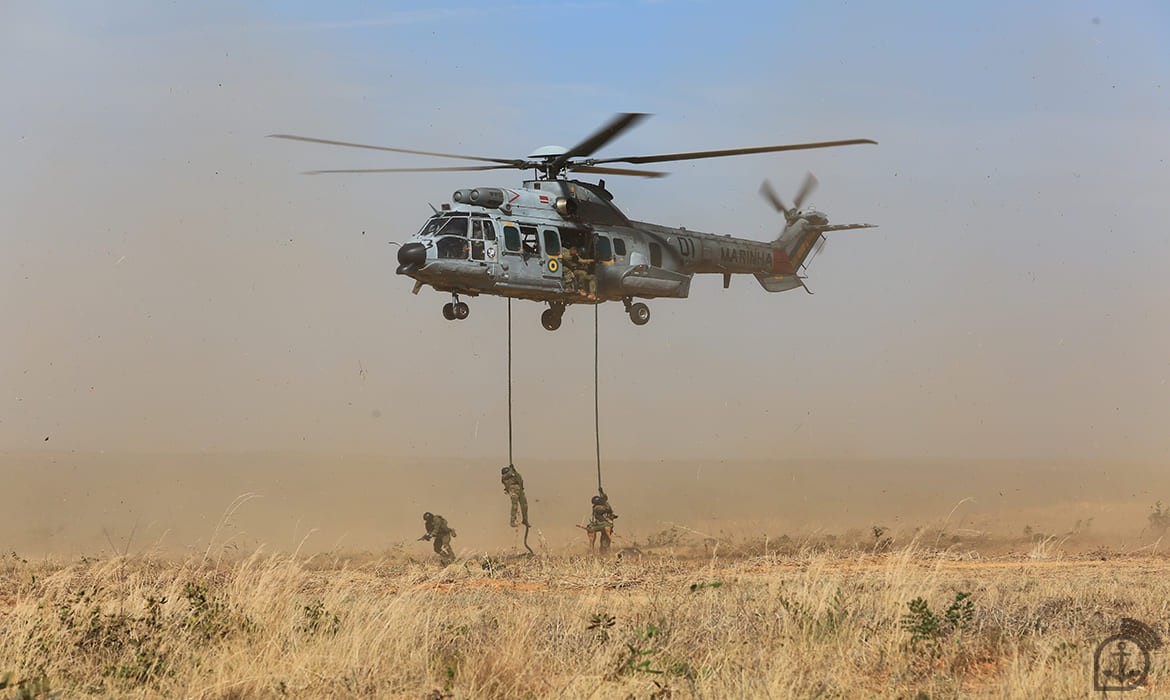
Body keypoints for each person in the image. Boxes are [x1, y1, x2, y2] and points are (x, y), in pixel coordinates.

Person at [586, 488, 618, 553]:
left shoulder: (599, 506)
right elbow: (608, 509)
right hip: (601, 524)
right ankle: (597, 553)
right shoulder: (597, 508)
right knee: (603, 541)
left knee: (605, 542)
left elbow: (609, 509)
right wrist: (604, 500)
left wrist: (602, 494)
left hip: (602, 525)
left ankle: (603, 553)